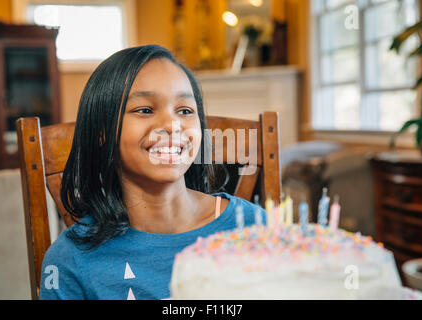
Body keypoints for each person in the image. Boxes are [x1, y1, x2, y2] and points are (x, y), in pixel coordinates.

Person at [40, 45, 267, 300]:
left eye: (185, 111)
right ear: (102, 132)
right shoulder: (70, 259)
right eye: (145, 110)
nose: (172, 125)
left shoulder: (255, 226)